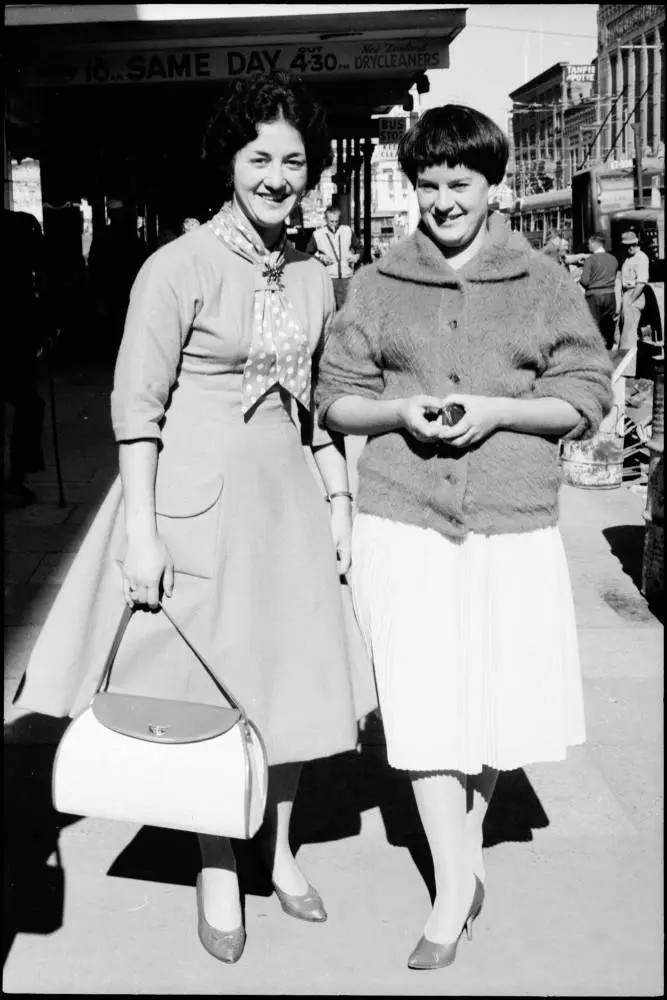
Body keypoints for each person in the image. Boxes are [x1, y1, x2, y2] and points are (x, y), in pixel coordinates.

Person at [14, 72, 375, 965]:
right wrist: (141, 531)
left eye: (294, 160)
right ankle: (219, 861)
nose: (276, 175)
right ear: (228, 162)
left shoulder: (311, 276)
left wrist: (336, 497)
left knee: (294, 685)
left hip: (287, 506)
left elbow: (314, 404)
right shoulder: (174, 268)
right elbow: (135, 410)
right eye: (259, 156)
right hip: (193, 508)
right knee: (206, 696)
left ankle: (279, 852)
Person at [316, 104, 612, 971]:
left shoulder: (543, 279)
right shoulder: (375, 282)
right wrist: (397, 410)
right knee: (421, 705)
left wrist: (498, 414)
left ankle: (462, 854)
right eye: (429, 184)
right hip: (402, 513)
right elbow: (335, 395)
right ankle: (453, 887)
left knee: (487, 702)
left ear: (493, 187)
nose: (443, 201)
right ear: (412, 187)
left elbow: (586, 392)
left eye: (461, 184)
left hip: (509, 519)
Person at [3, 209, 47, 507]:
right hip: (14, 340)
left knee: (26, 404)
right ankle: (14, 478)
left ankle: (15, 476)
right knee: (25, 405)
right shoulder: (22, 226)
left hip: (17, 338)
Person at [87, 197, 147, 358]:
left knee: (114, 326)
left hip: (113, 290)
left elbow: (94, 266)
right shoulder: (131, 237)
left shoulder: (104, 236)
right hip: (123, 289)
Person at [306, 204, 364, 309]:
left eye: (337, 221)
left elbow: (360, 247)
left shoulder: (347, 230)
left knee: (348, 309)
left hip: (347, 278)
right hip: (329, 279)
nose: (334, 224)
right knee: (331, 310)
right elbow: (307, 255)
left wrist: (357, 256)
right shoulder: (317, 234)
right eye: (331, 221)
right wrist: (320, 259)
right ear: (326, 220)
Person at [578, 233, 620, 350]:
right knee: (608, 325)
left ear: (594, 243)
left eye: (589, 243)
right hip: (610, 295)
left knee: (594, 326)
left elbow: (585, 281)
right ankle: (609, 349)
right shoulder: (613, 259)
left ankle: (594, 352)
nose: (588, 246)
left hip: (594, 297)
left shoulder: (590, 260)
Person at [617, 229, 650, 367]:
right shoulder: (628, 257)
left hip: (634, 294)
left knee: (628, 336)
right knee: (621, 332)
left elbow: (641, 282)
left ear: (637, 242)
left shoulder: (641, 257)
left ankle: (628, 370)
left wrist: (630, 300)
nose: (630, 247)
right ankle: (624, 367)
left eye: (632, 244)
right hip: (627, 295)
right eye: (627, 245)